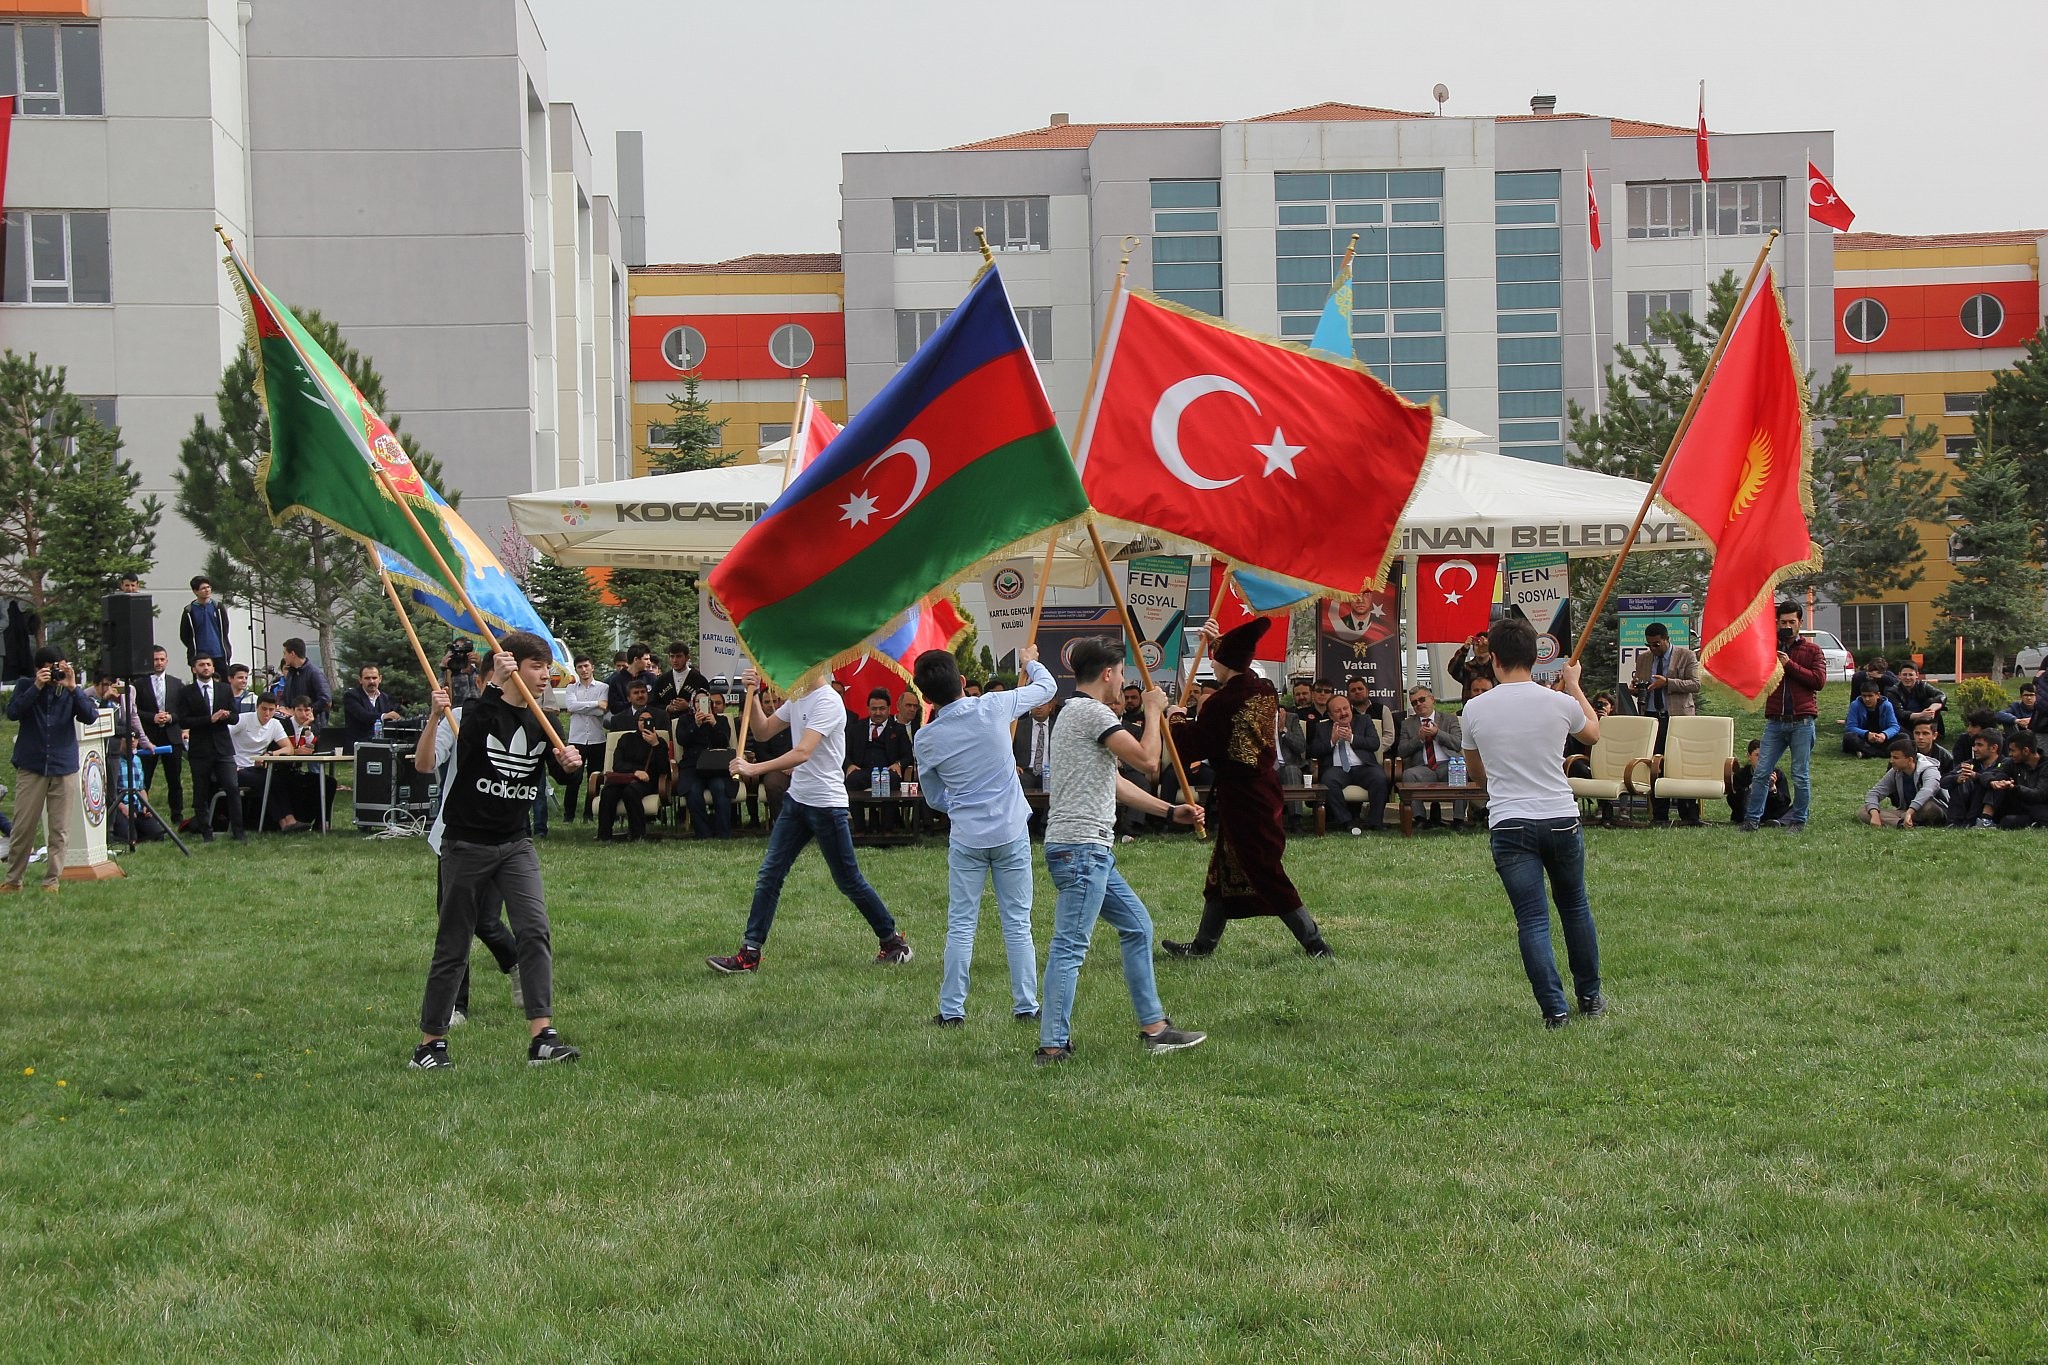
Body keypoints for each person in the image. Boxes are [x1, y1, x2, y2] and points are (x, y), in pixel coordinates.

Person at [409, 633, 584, 1070]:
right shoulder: (479, 712)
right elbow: (467, 741)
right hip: (466, 842)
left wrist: (571, 766)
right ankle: (430, 1044)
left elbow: (562, 779)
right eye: (536, 667)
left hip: (515, 842)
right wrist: (490, 687)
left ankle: (542, 1037)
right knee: (454, 943)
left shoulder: (544, 720)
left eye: (548, 668)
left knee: (535, 930)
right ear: (511, 667)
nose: (545, 676)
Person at [1035, 636, 1207, 1065]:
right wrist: (1153, 710)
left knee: (1137, 927)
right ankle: (1052, 1046)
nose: (1125, 682)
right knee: (1070, 947)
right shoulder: (1090, 712)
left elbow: (1113, 783)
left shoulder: (1071, 714)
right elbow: (1150, 762)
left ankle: (1155, 1028)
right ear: (1109, 674)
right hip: (1081, 851)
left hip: (1086, 850)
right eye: (1123, 674)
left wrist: (1170, 811)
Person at [707, 673, 912, 973]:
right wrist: (751, 694)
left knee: (848, 880)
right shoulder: (798, 697)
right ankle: (749, 953)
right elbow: (763, 732)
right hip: (798, 801)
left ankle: (893, 942)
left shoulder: (828, 701)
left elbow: (803, 752)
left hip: (827, 805)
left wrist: (754, 767)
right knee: (770, 873)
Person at [1457, 616, 1605, 1029]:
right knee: (1575, 907)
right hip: (1560, 815)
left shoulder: (1474, 708)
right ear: (1534, 655)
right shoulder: (1558, 702)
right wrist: (1574, 685)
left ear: (1496, 661)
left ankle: (1555, 1009)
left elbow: (1478, 773)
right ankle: (1590, 997)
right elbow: (1593, 733)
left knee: (1533, 919)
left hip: (1510, 821)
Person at [1159, 618, 1331, 960]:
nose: (1211, 665)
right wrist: (1219, 639)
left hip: (1243, 798)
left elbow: (1194, 745)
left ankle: (1315, 944)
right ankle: (1203, 945)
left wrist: (1175, 717)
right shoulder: (1264, 688)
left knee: (1263, 869)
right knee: (1224, 871)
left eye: (1215, 660)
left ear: (1227, 664)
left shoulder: (1222, 702)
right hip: (1262, 790)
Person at [914, 643, 1057, 1026]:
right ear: (963, 682)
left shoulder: (926, 738)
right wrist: (1031, 663)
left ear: (926, 698)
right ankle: (1026, 1006)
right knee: (1017, 922)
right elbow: (1047, 689)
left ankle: (952, 1011)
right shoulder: (992, 706)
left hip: (967, 836)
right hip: (1009, 831)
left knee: (961, 923)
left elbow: (933, 797)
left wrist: (961, 803)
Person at [414, 694, 523, 1032]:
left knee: (486, 920)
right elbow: (427, 762)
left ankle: (518, 963)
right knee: (454, 927)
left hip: (502, 838)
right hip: (456, 838)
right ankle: (455, 1006)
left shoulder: (524, 719)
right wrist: (434, 718)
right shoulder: (456, 716)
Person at [4, 647, 100, 892]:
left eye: (60, 665)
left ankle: (51, 880)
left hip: (63, 765)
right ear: (39, 668)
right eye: (50, 667)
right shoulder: (26, 685)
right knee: (23, 826)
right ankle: (14, 880)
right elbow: (13, 713)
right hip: (32, 766)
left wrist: (73, 687)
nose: (56, 671)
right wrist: (37, 686)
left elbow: (90, 716)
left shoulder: (70, 690)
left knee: (60, 829)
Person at [1741, 601, 1828, 832]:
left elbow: (1818, 681)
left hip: (1802, 721)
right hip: (1775, 721)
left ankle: (1798, 820)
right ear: (1776, 623)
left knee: (1800, 774)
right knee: (1761, 772)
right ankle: (1752, 820)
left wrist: (1789, 665)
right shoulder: (1768, 648)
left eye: (1792, 622)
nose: (1787, 626)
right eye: (1783, 622)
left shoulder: (1812, 650)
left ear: (1800, 622)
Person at [1626, 622, 1703, 824]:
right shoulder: (1643, 659)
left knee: (1681, 764)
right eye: (1649, 644)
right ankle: (1659, 814)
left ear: (1667, 639)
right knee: (1655, 765)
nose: (1653, 648)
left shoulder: (1686, 656)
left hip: (1677, 718)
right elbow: (1641, 684)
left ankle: (1689, 814)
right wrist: (1636, 690)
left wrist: (1668, 682)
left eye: (1657, 644)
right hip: (1652, 717)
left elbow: (1695, 684)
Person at [177, 656, 244, 842]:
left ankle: (239, 832)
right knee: (201, 792)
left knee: (232, 787)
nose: (205, 668)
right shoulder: (186, 692)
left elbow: (235, 718)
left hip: (223, 748)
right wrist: (209, 719)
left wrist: (226, 715)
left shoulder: (224, 689)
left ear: (213, 667)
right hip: (200, 749)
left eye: (208, 665)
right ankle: (206, 832)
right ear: (194, 669)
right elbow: (183, 720)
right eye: (201, 665)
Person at [1311, 693, 1387, 834]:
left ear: (1351, 708)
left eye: (1345, 708)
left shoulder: (1364, 720)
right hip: (1337, 769)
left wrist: (1351, 738)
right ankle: (1347, 821)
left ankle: (1375, 822)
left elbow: (1374, 743)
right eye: (1337, 711)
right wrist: (1332, 741)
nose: (1343, 713)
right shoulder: (1322, 727)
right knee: (1328, 780)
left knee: (1379, 777)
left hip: (1363, 767)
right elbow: (1314, 751)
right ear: (1330, 715)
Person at [230, 694, 307, 832]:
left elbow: (288, 748)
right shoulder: (243, 720)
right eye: (264, 709)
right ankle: (284, 821)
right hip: (238, 768)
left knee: (276, 779)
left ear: (276, 709)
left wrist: (270, 754)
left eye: (271, 710)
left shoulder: (275, 724)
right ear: (257, 707)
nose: (267, 713)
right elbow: (222, 737)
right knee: (266, 780)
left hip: (256, 767)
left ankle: (288, 820)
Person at [1395, 685, 1465, 827]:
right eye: (1414, 702)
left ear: (1432, 699)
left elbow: (1457, 743)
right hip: (1424, 768)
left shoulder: (1449, 719)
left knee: (1461, 770)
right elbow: (1402, 751)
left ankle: (1459, 820)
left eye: (1422, 699)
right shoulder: (1407, 724)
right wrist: (1419, 738)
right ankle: (1420, 818)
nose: (1419, 704)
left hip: (1447, 765)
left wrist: (1437, 733)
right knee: (1408, 774)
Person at [598, 707, 671, 843]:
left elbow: (663, 769)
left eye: (648, 720)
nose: (644, 723)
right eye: (641, 720)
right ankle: (604, 835)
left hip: (647, 781)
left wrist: (655, 744)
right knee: (608, 792)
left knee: (631, 792)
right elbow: (617, 764)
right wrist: (635, 771)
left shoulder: (660, 742)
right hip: (625, 777)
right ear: (636, 722)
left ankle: (638, 834)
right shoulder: (626, 738)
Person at [673, 690, 737, 839]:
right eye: (697, 702)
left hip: (716, 767)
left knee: (719, 787)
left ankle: (724, 832)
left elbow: (724, 742)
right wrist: (696, 724)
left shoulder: (721, 721)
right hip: (692, 767)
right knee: (694, 791)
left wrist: (714, 724)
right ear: (693, 704)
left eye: (705, 701)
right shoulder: (684, 720)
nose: (701, 705)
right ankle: (703, 833)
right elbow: (682, 740)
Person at [137, 645, 186, 826]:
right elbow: (135, 712)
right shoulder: (139, 685)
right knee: (144, 778)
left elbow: (183, 711)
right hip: (148, 736)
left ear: (167, 661)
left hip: (172, 736)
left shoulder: (176, 683)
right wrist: (153, 717)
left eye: (161, 659)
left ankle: (177, 815)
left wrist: (171, 717)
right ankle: (141, 813)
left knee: (174, 779)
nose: (158, 663)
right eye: (155, 659)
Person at [558, 656, 609, 823]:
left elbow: (602, 711)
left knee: (594, 778)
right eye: (580, 667)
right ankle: (569, 815)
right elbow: (571, 706)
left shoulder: (603, 687)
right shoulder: (571, 688)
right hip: (577, 738)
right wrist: (595, 704)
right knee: (574, 778)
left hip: (596, 739)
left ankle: (589, 813)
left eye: (586, 666)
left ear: (592, 667)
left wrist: (582, 707)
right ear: (576, 669)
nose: (584, 670)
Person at [1861, 736, 1946, 828]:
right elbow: (1874, 793)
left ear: (1910, 760)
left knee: (1929, 807)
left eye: (1895, 758)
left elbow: (1927, 791)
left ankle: (1907, 821)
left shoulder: (1929, 770)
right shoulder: (1895, 771)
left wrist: (1910, 812)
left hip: (1932, 810)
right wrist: (1874, 815)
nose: (1891, 761)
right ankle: (1902, 824)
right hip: (1906, 812)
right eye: (1891, 757)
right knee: (1865, 810)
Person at [1945, 731, 2006, 828]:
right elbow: (1944, 781)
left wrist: (1976, 776)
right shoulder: (1970, 764)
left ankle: (1983, 821)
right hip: (1969, 804)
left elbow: (1996, 779)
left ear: (1994, 748)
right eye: (1974, 745)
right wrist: (1957, 778)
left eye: (1979, 745)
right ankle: (1954, 823)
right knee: (1962, 780)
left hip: (1997, 809)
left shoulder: (2005, 764)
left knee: (1988, 784)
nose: (1974, 749)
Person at [1988, 731, 2048, 829]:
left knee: (2010, 821)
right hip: (2020, 807)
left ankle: (2035, 824)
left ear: (2025, 751)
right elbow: (1991, 774)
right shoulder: (2013, 763)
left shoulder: (2045, 766)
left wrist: (2015, 788)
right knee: (2007, 820)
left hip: (2040, 806)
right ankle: (1984, 819)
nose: (2010, 754)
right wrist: (1993, 781)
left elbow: (2040, 794)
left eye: (2013, 750)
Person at [341, 664, 405, 751]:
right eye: (367, 678)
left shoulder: (384, 697)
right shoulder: (351, 696)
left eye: (374, 678)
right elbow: (363, 715)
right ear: (360, 680)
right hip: (358, 746)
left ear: (380, 679)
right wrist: (383, 716)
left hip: (382, 746)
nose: (371, 681)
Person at [1729, 739, 1789, 825]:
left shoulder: (1777, 774)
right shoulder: (1741, 774)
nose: (1761, 759)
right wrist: (1751, 787)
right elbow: (1732, 801)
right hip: (1745, 814)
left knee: (1800, 808)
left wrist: (1773, 789)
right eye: (1757, 755)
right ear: (1749, 756)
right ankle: (1751, 820)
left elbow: (1784, 804)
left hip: (1771, 814)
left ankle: (1777, 822)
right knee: (1751, 791)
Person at [178, 575, 230, 675]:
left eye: (208, 587)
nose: (207, 590)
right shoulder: (189, 611)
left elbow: (225, 628)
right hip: (199, 655)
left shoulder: (218, 607)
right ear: (195, 591)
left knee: (223, 684)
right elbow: (184, 635)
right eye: (203, 588)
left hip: (219, 653)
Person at [651, 641, 713, 720]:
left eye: (679, 656)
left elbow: (706, 705)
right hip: (667, 723)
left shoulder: (699, 680)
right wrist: (667, 707)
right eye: (672, 656)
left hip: (692, 724)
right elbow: (653, 704)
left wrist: (688, 706)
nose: (675, 660)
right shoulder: (661, 680)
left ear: (687, 657)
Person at [276, 638, 332, 725]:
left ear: (292, 654)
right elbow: (285, 696)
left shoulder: (314, 673)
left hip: (313, 726)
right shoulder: (291, 673)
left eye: (285, 653)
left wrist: (302, 712)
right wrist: (283, 707)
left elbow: (325, 700)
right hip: (292, 724)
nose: (284, 657)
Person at [1889, 664, 1947, 742]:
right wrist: (1921, 715)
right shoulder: (1893, 691)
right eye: (1904, 675)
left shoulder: (1922, 686)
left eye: (1910, 675)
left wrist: (1931, 709)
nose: (1907, 678)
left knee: (1931, 702)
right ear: (1899, 676)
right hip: (1906, 723)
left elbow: (1941, 695)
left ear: (1917, 675)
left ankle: (1934, 733)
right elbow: (1899, 713)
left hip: (1926, 718)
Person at [1842, 684, 1902, 758]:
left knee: (1903, 736)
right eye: (1864, 696)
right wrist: (1867, 734)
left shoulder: (1886, 705)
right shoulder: (1855, 705)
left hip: (1881, 738)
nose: (1867, 699)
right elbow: (1850, 727)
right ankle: (1881, 753)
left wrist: (1884, 735)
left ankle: (1866, 753)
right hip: (1863, 738)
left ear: (1878, 695)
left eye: (1870, 696)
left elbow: (1894, 726)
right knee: (1849, 737)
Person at [1447, 631, 1496, 702]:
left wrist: (1492, 646)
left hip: (1493, 707)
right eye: (1477, 645)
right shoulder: (1467, 668)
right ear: (1473, 648)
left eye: (1484, 646)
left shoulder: (1497, 667)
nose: (1480, 648)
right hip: (1471, 709)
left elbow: (1509, 664)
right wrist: (1465, 648)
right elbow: (1453, 669)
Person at [442, 639, 483, 710]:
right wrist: (444, 669)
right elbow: (442, 697)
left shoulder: (478, 672)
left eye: (463, 651)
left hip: (479, 714)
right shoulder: (449, 673)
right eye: (458, 651)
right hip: (457, 716)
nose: (461, 655)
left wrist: (480, 665)